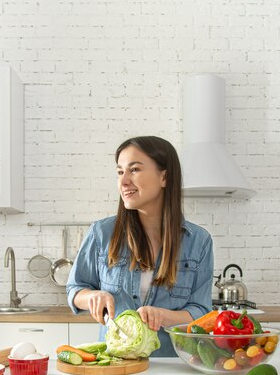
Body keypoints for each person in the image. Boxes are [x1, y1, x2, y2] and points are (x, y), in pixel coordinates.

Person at [66, 136, 214, 357]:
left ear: (164, 176)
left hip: (172, 365)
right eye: (120, 172)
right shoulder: (102, 233)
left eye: (134, 169)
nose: (123, 181)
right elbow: (76, 289)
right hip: (116, 364)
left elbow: (201, 313)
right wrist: (92, 297)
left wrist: (163, 316)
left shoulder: (199, 241)